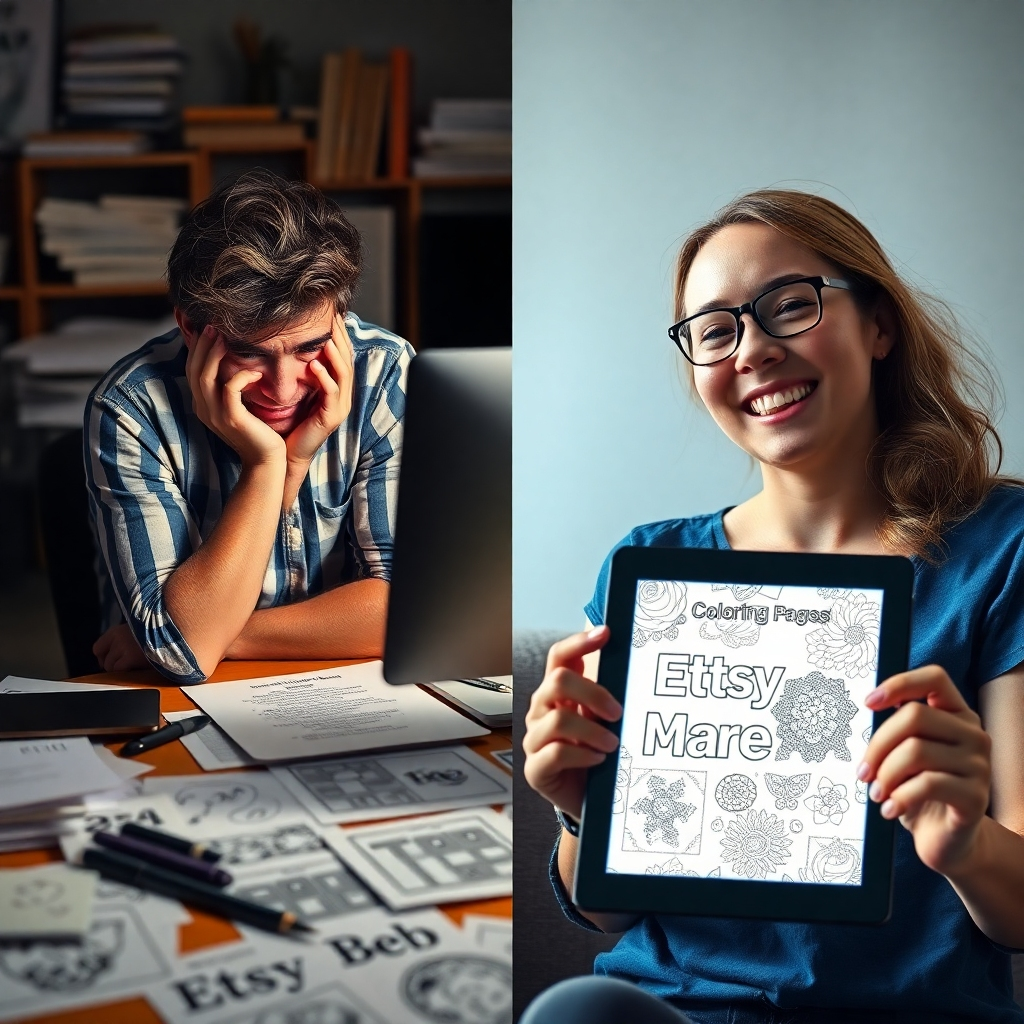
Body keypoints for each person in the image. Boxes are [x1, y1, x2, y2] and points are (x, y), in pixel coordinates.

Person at [522, 189, 1024, 1024]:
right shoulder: (653, 567)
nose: (752, 349)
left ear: (880, 325)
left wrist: (963, 842)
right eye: (715, 331)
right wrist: (581, 808)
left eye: (790, 306)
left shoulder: (1001, 550)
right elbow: (606, 912)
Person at [84, 169, 413, 683]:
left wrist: (221, 635)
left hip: (351, 689)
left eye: (308, 348)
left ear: (339, 316)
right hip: (183, 707)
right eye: (248, 352)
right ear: (190, 328)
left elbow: (411, 609)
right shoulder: (130, 406)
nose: (283, 390)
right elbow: (187, 658)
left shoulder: (386, 373)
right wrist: (271, 465)